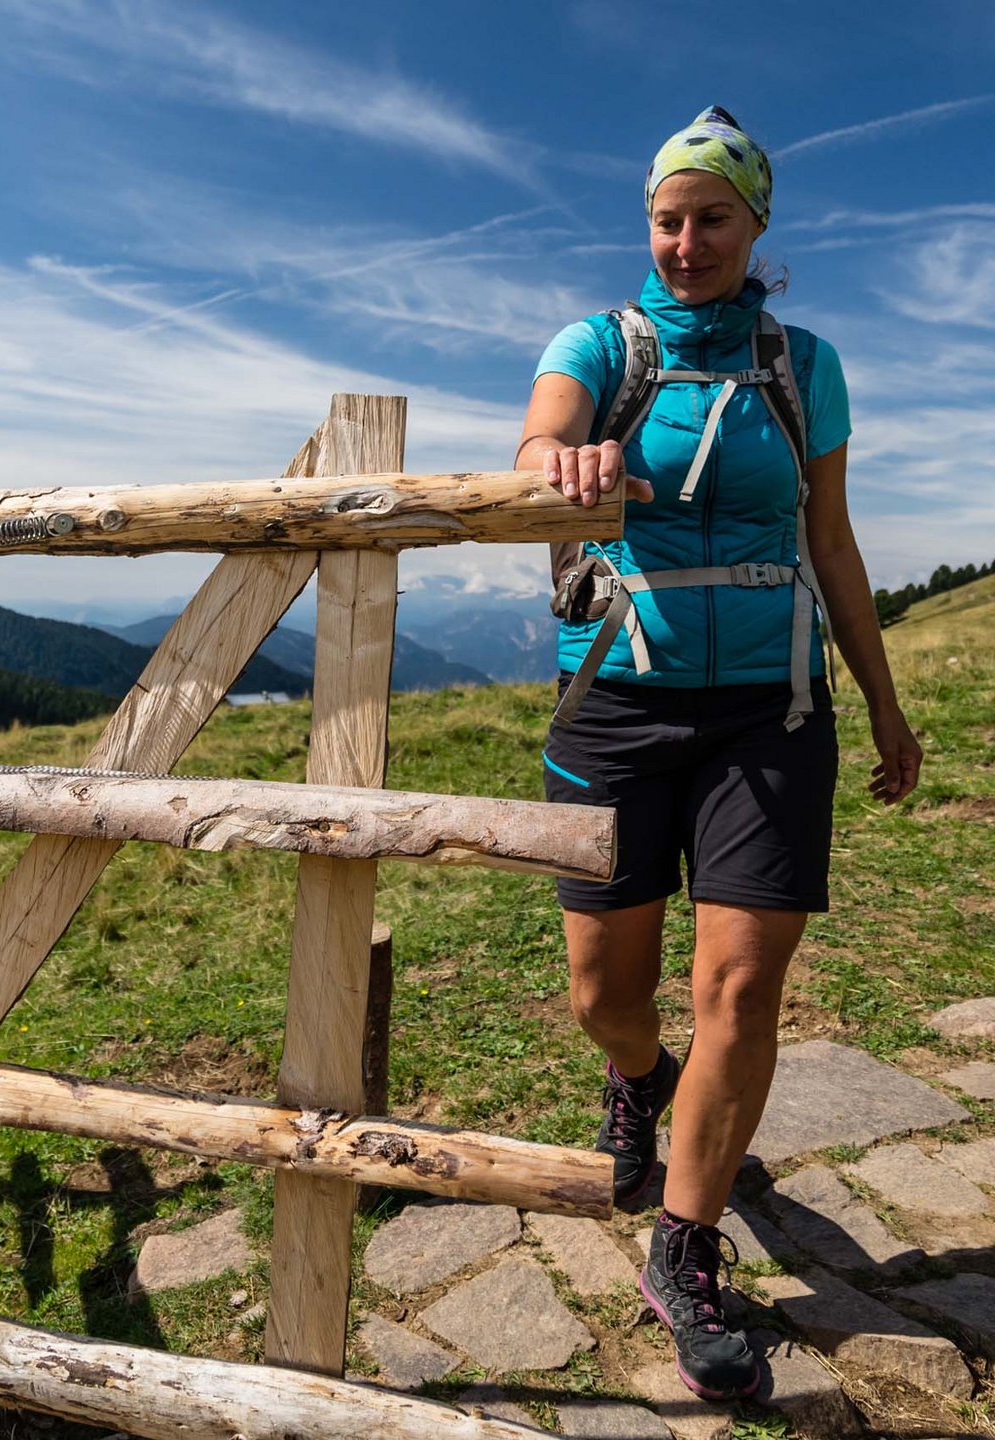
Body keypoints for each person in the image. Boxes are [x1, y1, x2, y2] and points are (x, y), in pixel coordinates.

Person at [515, 106, 923, 1401]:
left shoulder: (805, 364)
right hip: (618, 701)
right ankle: (640, 1082)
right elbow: (537, 441)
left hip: (773, 708)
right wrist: (559, 459)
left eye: (712, 218)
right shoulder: (597, 343)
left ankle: (683, 1250)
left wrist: (888, 703)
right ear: (649, 225)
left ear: (757, 227)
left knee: (740, 994)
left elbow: (837, 545)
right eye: (667, 218)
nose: (686, 240)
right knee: (605, 998)